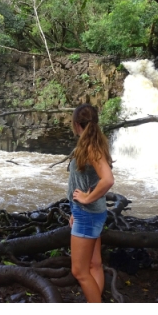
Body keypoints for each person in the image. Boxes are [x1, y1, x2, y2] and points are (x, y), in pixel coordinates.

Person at [67, 103, 115, 303]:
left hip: (87, 215)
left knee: (79, 271)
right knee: (95, 264)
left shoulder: (90, 148)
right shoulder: (95, 144)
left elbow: (108, 179)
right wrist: (75, 209)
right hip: (91, 213)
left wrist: (85, 199)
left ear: (77, 124)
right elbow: (90, 181)